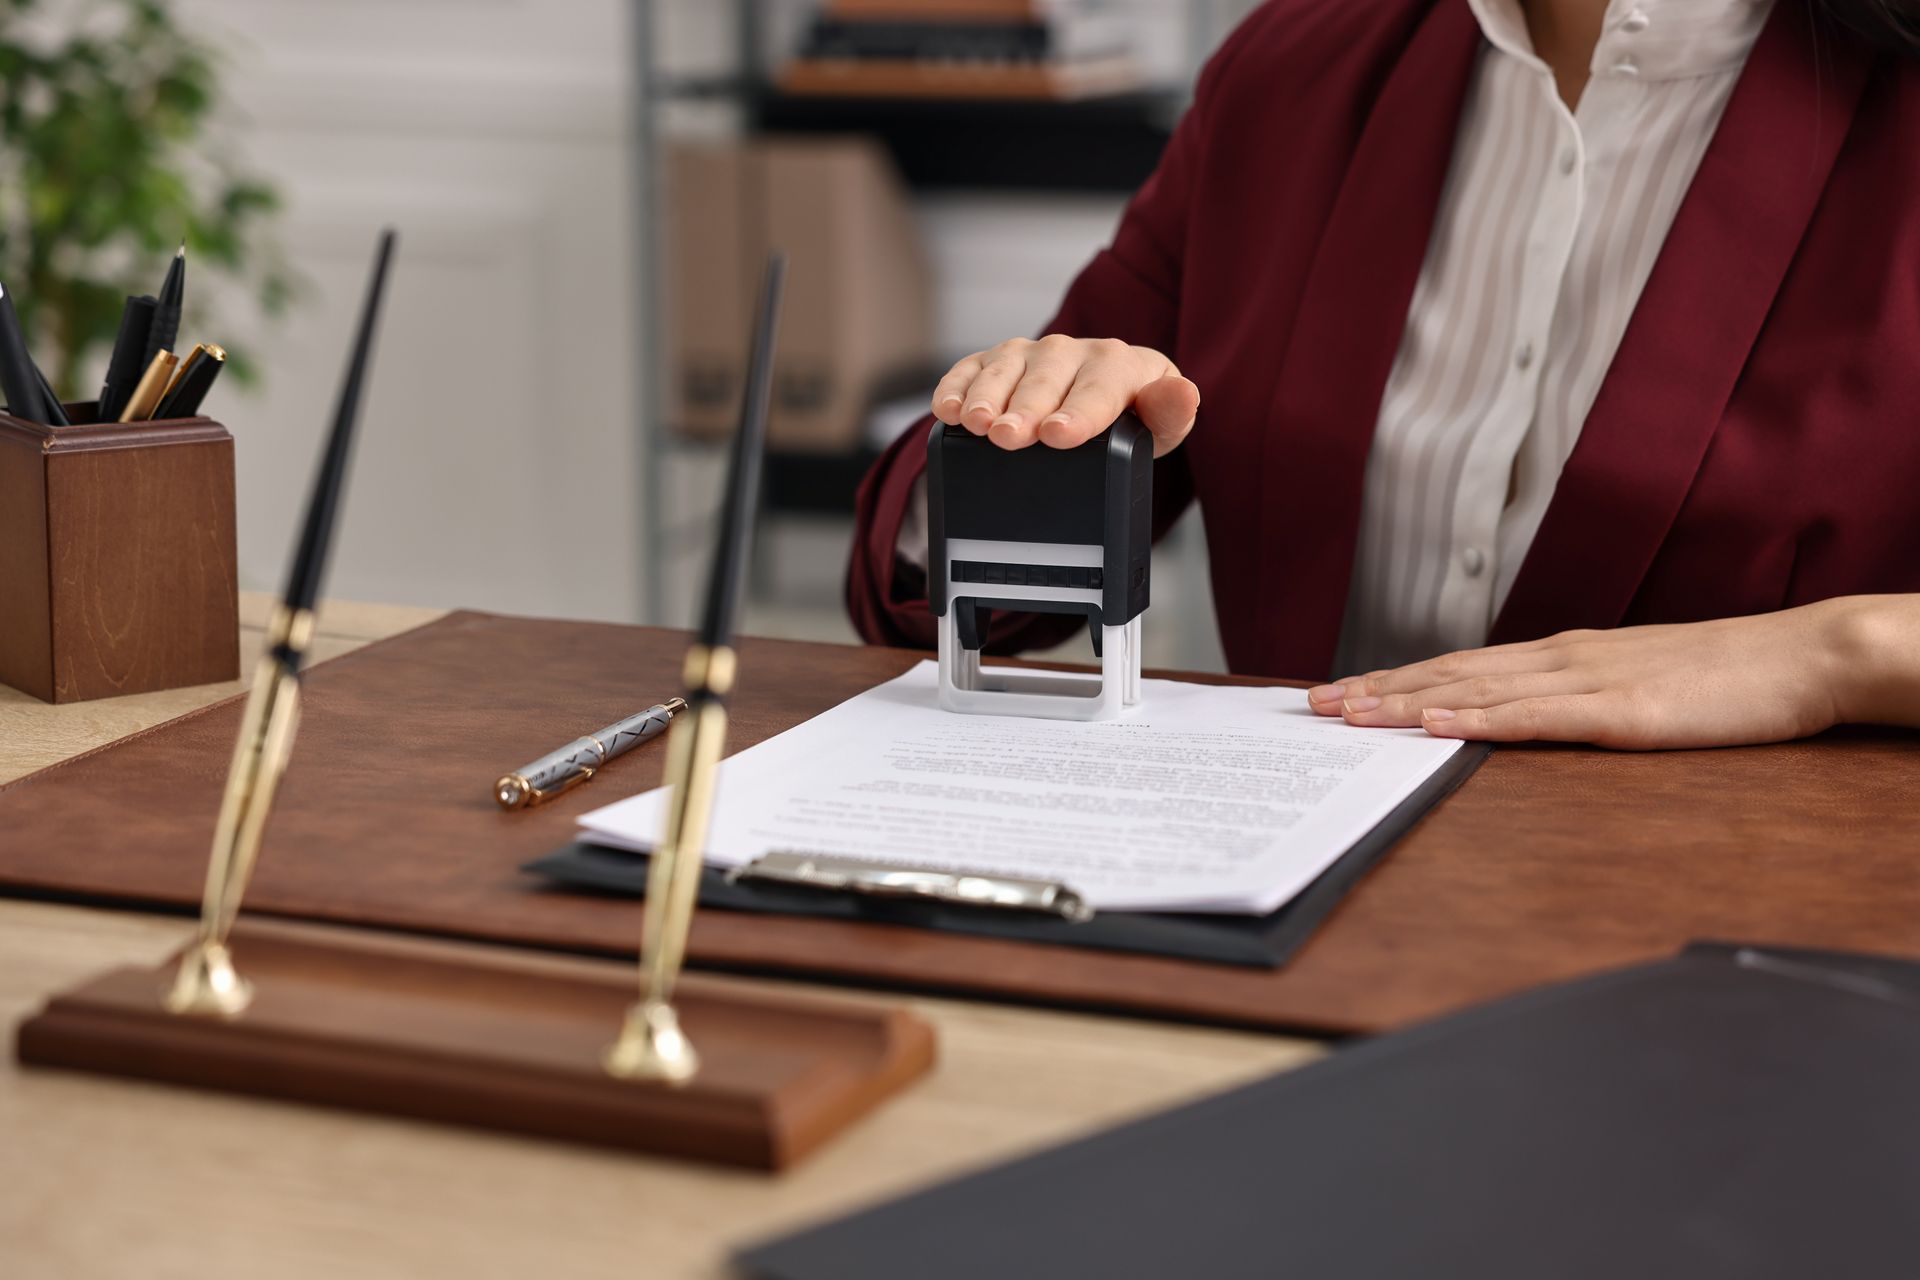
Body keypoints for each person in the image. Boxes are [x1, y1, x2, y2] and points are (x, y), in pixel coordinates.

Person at [844, 0, 1920, 750]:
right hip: (1289, 904)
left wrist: (1832, 654)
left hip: (1733, 939)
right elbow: (979, 597)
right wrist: (1024, 431)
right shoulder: (1290, 72)